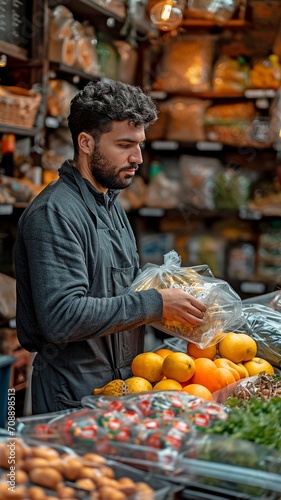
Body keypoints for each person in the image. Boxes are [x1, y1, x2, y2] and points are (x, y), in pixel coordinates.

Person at [14, 80, 206, 414]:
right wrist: (155, 302)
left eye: (140, 144)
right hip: (72, 398)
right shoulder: (54, 213)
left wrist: (172, 297)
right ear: (86, 143)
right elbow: (62, 317)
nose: (138, 158)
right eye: (124, 145)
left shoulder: (110, 204)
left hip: (122, 389)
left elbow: (114, 291)